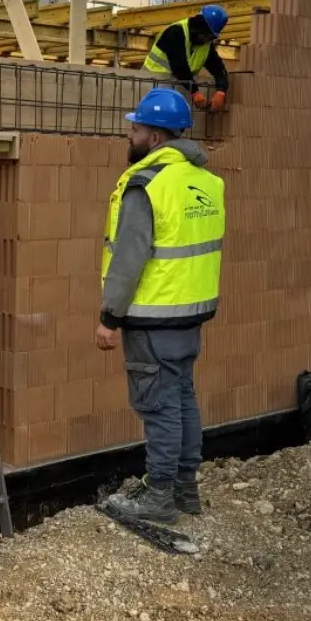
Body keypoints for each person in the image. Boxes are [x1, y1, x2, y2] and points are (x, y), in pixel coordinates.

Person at [95, 89, 225, 524]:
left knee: (158, 406)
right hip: (190, 314)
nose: (128, 135)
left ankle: (159, 495)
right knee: (183, 398)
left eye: (134, 129)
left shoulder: (146, 185)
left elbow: (129, 258)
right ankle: (186, 489)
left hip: (152, 316)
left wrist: (109, 318)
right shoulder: (205, 182)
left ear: (154, 136)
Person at [142, 4, 230, 112]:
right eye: (207, 35)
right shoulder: (175, 32)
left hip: (174, 91)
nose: (207, 39)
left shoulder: (205, 44)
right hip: (151, 85)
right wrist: (195, 91)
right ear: (199, 26)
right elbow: (179, 66)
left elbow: (219, 69)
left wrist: (221, 91)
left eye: (211, 37)